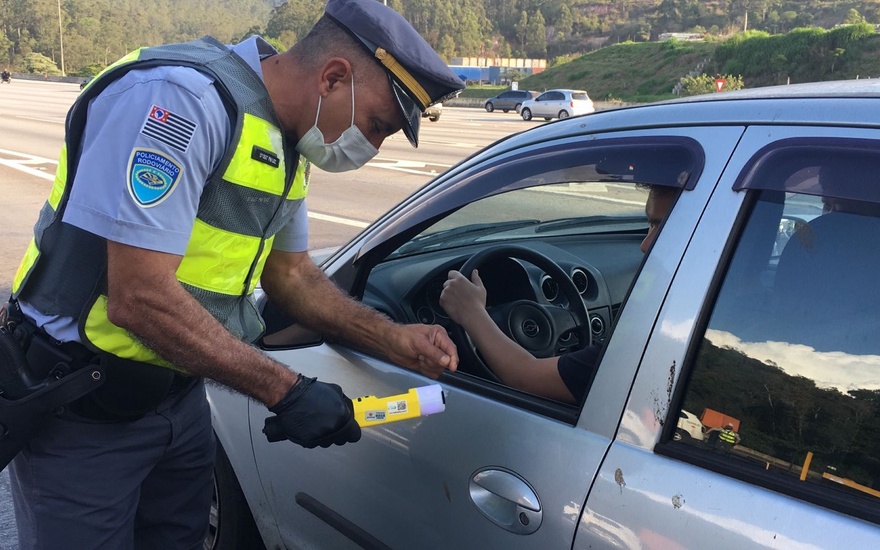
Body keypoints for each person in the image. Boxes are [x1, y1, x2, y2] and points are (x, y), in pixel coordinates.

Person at [4, 0, 463, 548]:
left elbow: (291, 276)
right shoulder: (182, 102)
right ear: (334, 77)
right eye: (378, 125)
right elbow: (139, 296)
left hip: (179, 401)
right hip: (83, 411)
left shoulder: (289, 141)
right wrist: (286, 391)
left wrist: (391, 338)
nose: (375, 146)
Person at [440, 184, 678, 404]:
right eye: (649, 225)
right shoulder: (689, 314)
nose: (645, 245)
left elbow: (525, 378)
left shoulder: (644, 351)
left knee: (439, 405)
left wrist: (471, 313)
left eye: (663, 227)